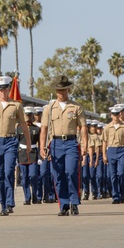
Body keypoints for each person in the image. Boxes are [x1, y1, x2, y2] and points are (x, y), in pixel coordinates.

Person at [39, 75, 88, 216]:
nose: (61, 93)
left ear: (68, 89)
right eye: (59, 90)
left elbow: (83, 127)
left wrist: (84, 145)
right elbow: (44, 129)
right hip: (55, 143)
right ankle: (64, 204)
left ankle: (74, 202)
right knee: (58, 175)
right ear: (56, 91)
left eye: (64, 90)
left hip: (71, 143)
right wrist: (43, 146)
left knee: (71, 172)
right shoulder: (49, 108)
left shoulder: (76, 107)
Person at [0, 76, 31, 216]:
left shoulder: (16, 105)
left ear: (9, 89)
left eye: (5, 88)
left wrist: (27, 142)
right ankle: (3, 204)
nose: (3, 91)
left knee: (9, 171)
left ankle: (10, 202)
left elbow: (24, 125)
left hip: (11, 141)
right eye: (0, 89)